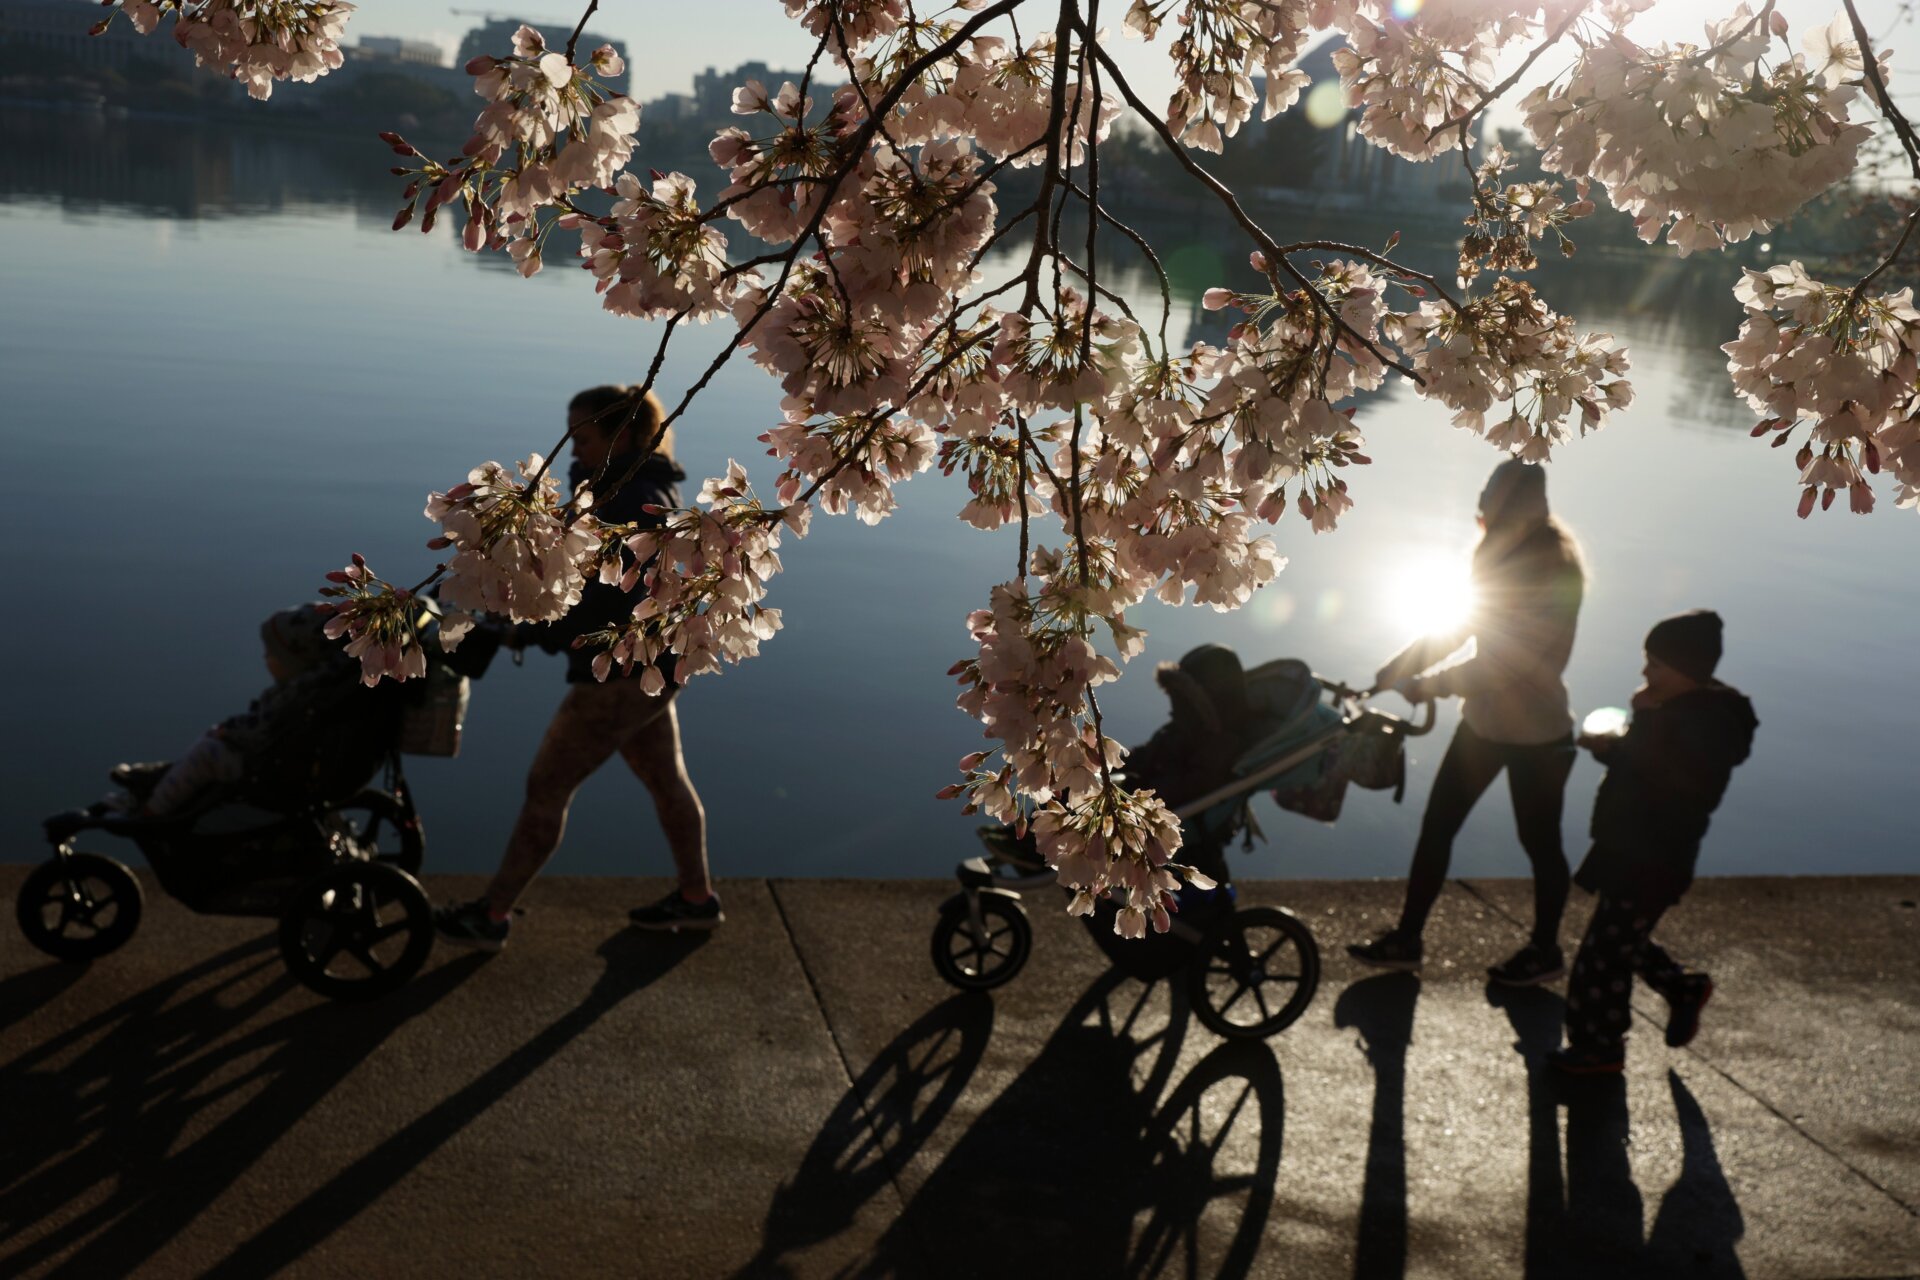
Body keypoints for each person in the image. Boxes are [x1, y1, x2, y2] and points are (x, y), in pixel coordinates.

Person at [434, 384, 717, 951]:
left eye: (584, 437)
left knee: (548, 785)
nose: (574, 448)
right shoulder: (626, 488)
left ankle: (491, 917)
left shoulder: (635, 502)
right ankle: (695, 900)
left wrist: (529, 628)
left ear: (627, 436)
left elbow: (604, 603)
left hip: (617, 675)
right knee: (666, 780)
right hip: (652, 667)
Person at [1349, 459, 1585, 985]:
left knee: (1540, 843)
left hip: (1539, 736)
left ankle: (1545, 951)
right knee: (1437, 830)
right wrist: (1398, 668)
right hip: (1483, 726)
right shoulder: (1498, 556)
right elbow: (1461, 627)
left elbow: (1505, 664)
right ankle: (1407, 940)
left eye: (1489, 502)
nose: (1480, 509)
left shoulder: (1554, 571)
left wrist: (1430, 684)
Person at [1550, 610, 1757, 1075]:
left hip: (1652, 858)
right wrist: (1613, 749)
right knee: (1623, 939)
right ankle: (1682, 989)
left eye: (1657, 665)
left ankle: (1598, 1049)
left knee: (1600, 961)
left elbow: (1679, 784)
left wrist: (1645, 722)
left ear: (1688, 671)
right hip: (1627, 848)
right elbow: (1643, 772)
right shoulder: (1676, 712)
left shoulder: (1708, 726)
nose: (1646, 673)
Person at [115, 604, 362, 816]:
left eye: (272, 654)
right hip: (291, 763)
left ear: (295, 660)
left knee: (206, 752)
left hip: (266, 770)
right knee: (210, 743)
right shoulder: (320, 687)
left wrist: (228, 732)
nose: (266, 658)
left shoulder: (296, 694)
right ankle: (160, 777)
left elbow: (261, 728)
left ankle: (154, 811)